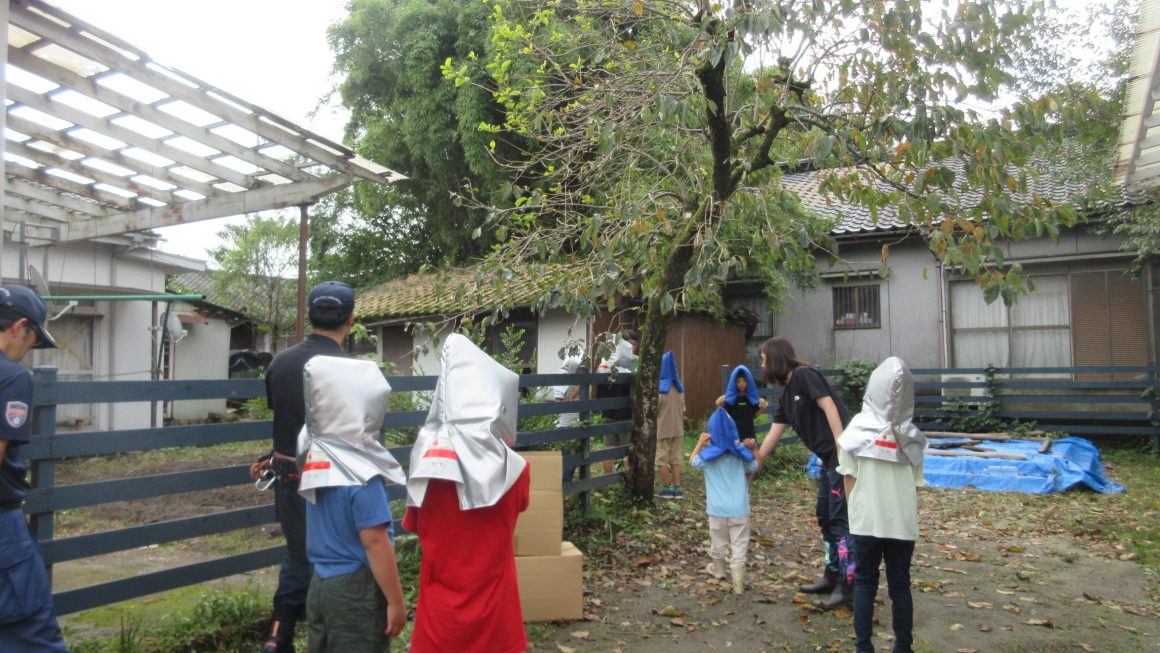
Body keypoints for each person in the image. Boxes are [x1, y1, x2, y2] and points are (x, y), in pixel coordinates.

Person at [403, 334, 529, 653]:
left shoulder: (424, 469)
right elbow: (519, 506)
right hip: (497, 625)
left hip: (437, 627)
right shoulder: (515, 469)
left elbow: (415, 525)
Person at [250, 280, 356, 653]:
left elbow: (287, 423)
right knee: (335, 558)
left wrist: (272, 456)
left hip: (289, 477)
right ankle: (327, 634)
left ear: (309, 316)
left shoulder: (280, 363)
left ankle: (279, 634)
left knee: (298, 554)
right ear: (351, 319)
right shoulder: (352, 371)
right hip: (336, 480)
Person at [296, 356, 408, 653]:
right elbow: (374, 541)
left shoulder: (317, 460)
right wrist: (396, 602)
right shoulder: (363, 475)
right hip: (354, 592)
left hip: (320, 584)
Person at [755, 336, 853, 610]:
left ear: (775, 358)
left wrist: (841, 446)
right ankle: (831, 576)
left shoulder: (805, 375)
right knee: (825, 517)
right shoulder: (786, 395)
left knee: (840, 522)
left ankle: (849, 583)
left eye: (763, 359)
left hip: (840, 459)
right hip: (827, 462)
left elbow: (829, 407)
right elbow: (773, 436)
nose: (762, 365)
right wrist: (755, 466)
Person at [836, 357, 926, 653]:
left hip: (866, 521)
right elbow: (915, 483)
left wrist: (854, 514)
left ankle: (864, 647)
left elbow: (848, 477)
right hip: (901, 522)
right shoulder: (911, 437)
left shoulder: (856, 430)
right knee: (900, 585)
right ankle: (904, 647)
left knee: (865, 583)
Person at [0, 285, 69, 653]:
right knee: (33, 636)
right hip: (3, 531)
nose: (28, 351)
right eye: (32, 340)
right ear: (19, 326)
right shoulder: (11, 377)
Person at [690, 408, 760, 594]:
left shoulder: (707, 458)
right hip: (739, 508)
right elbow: (756, 465)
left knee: (718, 540)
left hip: (716, 509)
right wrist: (753, 449)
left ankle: (719, 569)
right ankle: (738, 579)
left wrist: (699, 444)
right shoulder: (741, 456)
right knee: (739, 544)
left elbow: (692, 461)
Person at [595, 331, 638, 474]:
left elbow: (595, 392)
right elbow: (632, 393)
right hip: (624, 415)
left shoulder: (603, 366)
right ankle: (629, 481)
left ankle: (607, 481)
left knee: (608, 448)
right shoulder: (627, 367)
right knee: (627, 450)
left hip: (607, 413)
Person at [655, 351, 686, 499]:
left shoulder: (660, 390)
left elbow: (654, 411)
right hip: (678, 430)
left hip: (662, 430)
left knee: (661, 460)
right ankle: (677, 488)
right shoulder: (680, 389)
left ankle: (666, 488)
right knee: (675, 460)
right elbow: (683, 410)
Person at [715, 365, 767, 441]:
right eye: (739, 381)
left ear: (748, 382)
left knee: (750, 452)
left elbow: (755, 415)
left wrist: (763, 408)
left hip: (749, 435)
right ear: (734, 383)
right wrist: (719, 402)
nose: (742, 384)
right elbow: (721, 408)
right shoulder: (732, 399)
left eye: (744, 381)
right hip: (734, 436)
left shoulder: (750, 398)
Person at [553, 355, 583, 429]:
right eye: (578, 369)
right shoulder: (563, 377)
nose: (579, 371)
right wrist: (574, 394)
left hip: (578, 424)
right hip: (565, 425)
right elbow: (558, 402)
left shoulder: (580, 380)